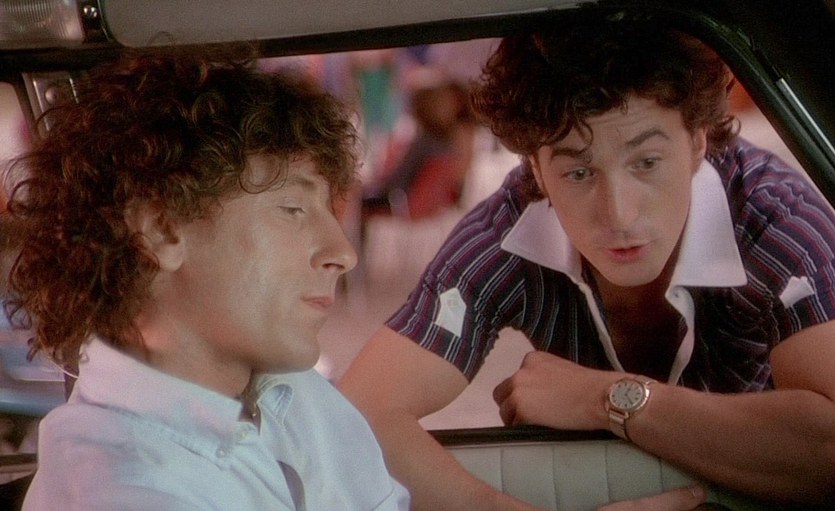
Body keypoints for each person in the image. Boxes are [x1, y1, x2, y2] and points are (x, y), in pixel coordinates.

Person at [339, 10, 835, 511]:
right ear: (535, 169)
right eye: (578, 173)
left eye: (647, 162)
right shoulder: (509, 228)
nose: (618, 214)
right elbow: (360, 414)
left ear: (696, 142)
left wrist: (608, 398)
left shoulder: (772, 218)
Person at [5, 49, 409, 510]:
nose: (343, 254)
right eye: (293, 209)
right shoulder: (126, 491)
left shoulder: (293, 394)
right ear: (163, 230)